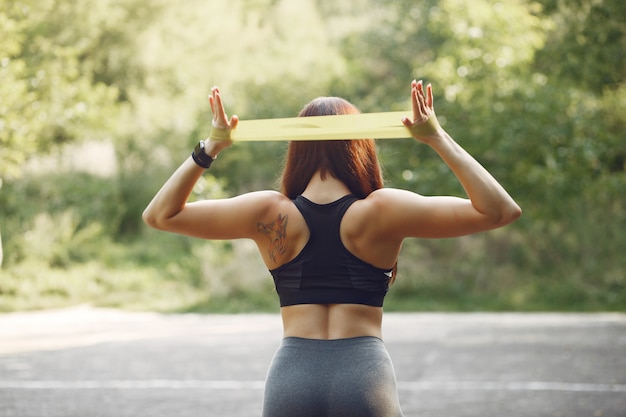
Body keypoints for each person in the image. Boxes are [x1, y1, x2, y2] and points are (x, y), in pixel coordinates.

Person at [142, 80, 522, 417]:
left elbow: (159, 216)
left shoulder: (268, 212)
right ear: (360, 146)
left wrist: (210, 148)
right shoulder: (383, 211)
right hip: (364, 376)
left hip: (291, 377)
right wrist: (436, 137)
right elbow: (500, 211)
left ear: (297, 149)